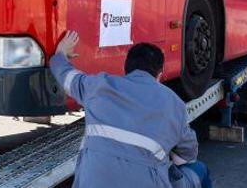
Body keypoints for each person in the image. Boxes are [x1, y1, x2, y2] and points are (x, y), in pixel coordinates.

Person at [50, 31, 212, 188]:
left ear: (125, 68)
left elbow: (67, 76)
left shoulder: (98, 86)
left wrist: (60, 54)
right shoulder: (174, 104)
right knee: (199, 170)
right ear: (159, 75)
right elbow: (187, 156)